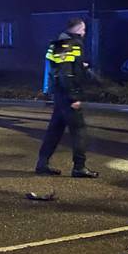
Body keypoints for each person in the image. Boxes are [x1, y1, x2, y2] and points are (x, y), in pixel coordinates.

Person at [35, 18, 99, 178]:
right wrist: (74, 97)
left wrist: (80, 67)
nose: (84, 33)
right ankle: (79, 167)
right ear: (76, 29)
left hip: (59, 94)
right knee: (79, 131)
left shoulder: (58, 43)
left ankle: (42, 164)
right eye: (83, 29)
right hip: (67, 94)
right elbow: (66, 73)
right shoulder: (72, 44)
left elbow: (57, 69)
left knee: (54, 130)